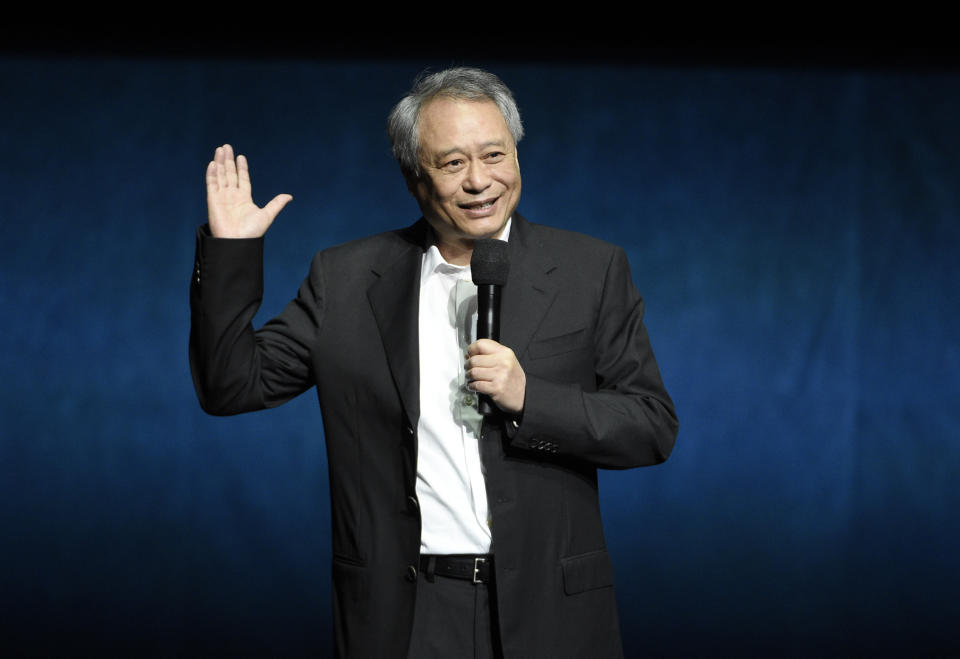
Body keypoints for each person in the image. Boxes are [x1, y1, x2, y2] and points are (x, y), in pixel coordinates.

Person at [190, 67, 678, 659]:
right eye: (452, 164)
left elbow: (651, 426)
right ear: (414, 178)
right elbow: (229, 385)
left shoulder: (589, 270)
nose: (480, 181)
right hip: (406, 615)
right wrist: (233, 252)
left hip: (550, 610)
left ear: (517, 156)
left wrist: (531, 398)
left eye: (494, 155)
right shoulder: (345, 281)